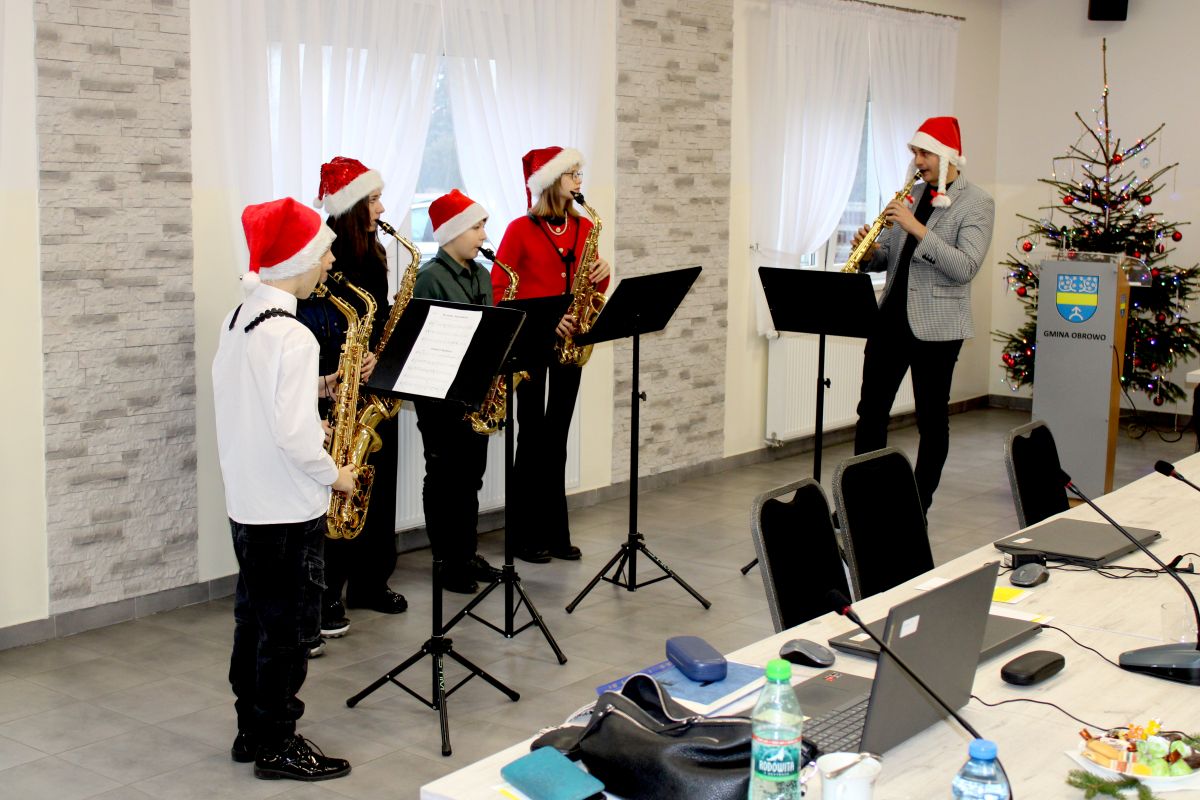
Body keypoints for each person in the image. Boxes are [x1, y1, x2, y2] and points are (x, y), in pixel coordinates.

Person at [212, 197, 354, 781]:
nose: (330, 261)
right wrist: (336, 474)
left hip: (249, 502)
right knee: (289, 634)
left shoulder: (240, 318)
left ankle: (251, 730)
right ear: (299, 259)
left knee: (254, 623)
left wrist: (317, 387)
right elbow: (296, 438)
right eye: (324, 252)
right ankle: (278, 745)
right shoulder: (294, 335)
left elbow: (254, 398)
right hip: (289, 508)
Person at [851, 116, 995, 512]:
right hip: (890, 322)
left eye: (925, 153)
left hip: (938, 328)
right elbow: (892, 258)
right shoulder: (910, 195)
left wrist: (916, 228)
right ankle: (863, 503)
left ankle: (917, 508)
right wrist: (870, 252)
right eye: (915, 152)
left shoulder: (976, 202)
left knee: (931, 422)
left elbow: (965, 267)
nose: (918, 160)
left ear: (948, 157)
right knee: (871, 413)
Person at [298, 157, 407, 642]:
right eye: (374, 200)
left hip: (373, 388)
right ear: (351, 206)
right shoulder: (323, 253)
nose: (381, 208)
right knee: (336, 492)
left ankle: (371, 581)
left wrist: (378, 360)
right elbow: (307, 318)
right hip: (334, 385)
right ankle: (328, 591)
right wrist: (338, 370)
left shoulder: (376, 252)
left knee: (377, 489)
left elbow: (379, 321)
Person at [494, 146, 611, 563]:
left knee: (557, 438)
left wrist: (603, 273)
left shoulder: (583, 227)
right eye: (571, 173)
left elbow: (591, 286)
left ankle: (555, 532)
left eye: (579, 173)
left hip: (569, 345)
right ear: (549, 181)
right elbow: (500, 290)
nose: (579, 180)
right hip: (531, 346)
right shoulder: (519, 229)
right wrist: (544, 322)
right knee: (531, 437)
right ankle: (523, 536)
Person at [410, 189, 504, 593]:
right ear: (451, 232)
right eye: (477, 227)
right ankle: (446, 561)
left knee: (470, 479)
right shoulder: (429, 277)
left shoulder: (480, 274)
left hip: (474, 393)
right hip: (440, 397)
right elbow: (421, 341)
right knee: (444, 477)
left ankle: (466, 553)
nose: (484, 235)